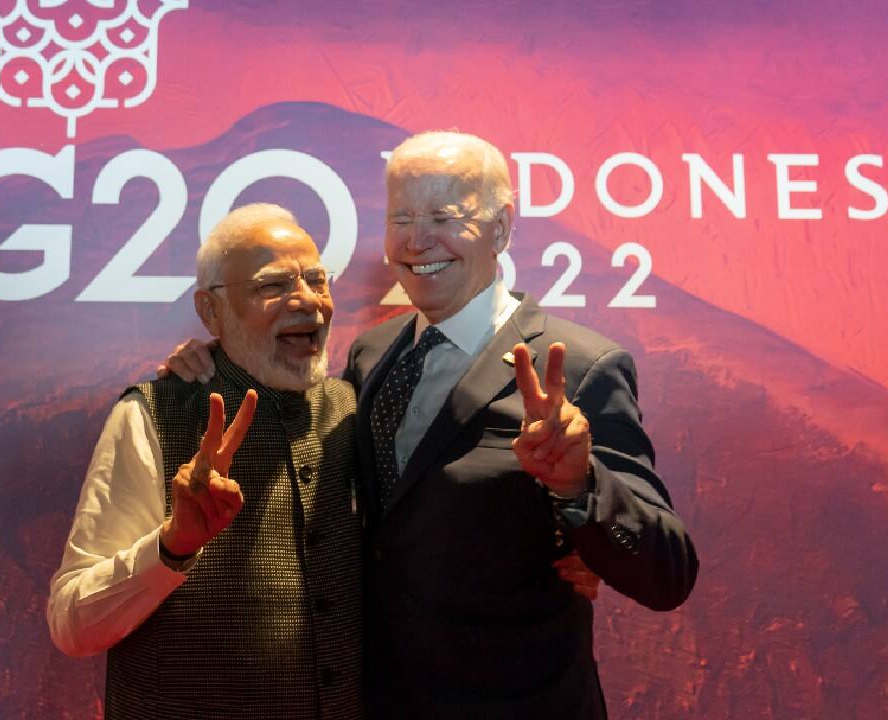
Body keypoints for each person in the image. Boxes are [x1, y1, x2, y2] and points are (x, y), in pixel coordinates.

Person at [163, 131, 698, 719]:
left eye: (444, 216)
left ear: (500, 228)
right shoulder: (371, 354)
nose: (418, 241)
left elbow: (667, 574)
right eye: (402, 218)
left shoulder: (581, 367)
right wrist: (217, 358)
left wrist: (582, 487)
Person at [48, 203, 364, 720]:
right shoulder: (152, 413)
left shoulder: (352, 409)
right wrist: (172, 547)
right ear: (211, 312)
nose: (307, 301)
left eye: (317, 280)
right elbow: (72, 623)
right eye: (273, 285)